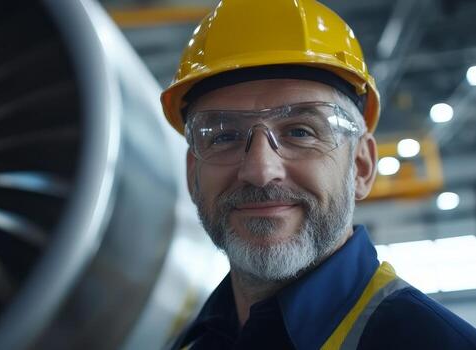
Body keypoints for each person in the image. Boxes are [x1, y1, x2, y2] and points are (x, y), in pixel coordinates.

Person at [159, 0, 476, 349]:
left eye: (300, 132)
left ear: (361, 165)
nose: (260, 171)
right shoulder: (192, 342)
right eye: (224, 136)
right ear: (193, 173)